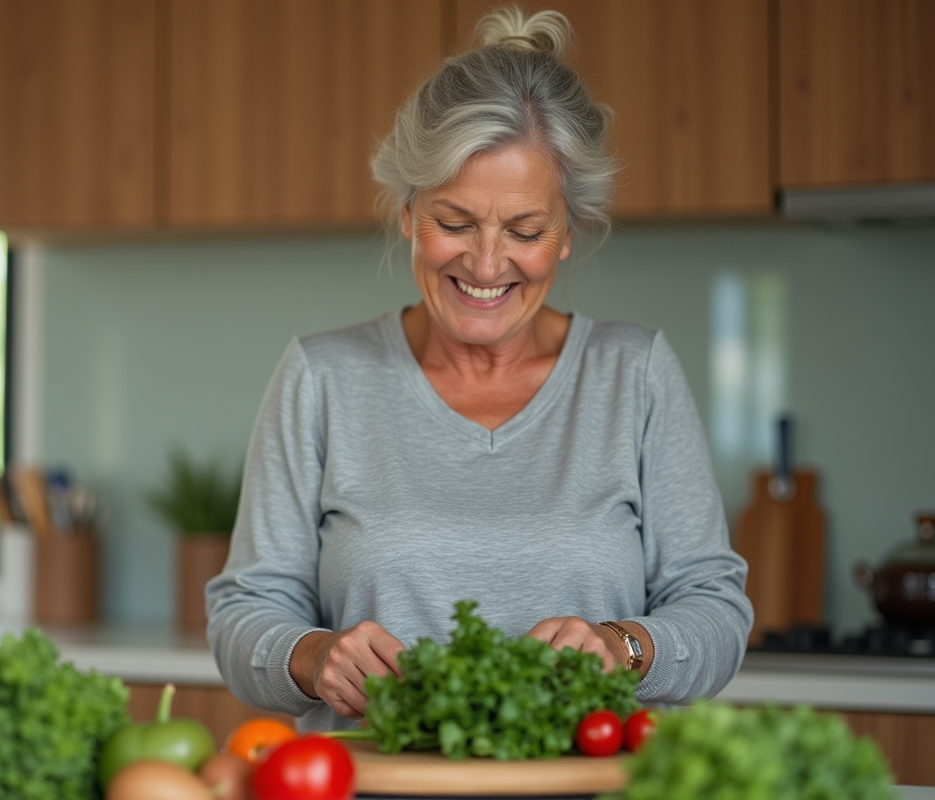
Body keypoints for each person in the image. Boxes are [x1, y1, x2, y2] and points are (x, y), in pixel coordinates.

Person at [205, 5, 752, 731]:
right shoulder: (323, 376)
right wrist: (312, 655)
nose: (487, 264)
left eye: (524, 230)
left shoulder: (634, 373)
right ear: (407, 213)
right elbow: (244, 612)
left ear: (566, 233)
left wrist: (624, 647)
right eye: (455, 223)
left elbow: (715, 609)